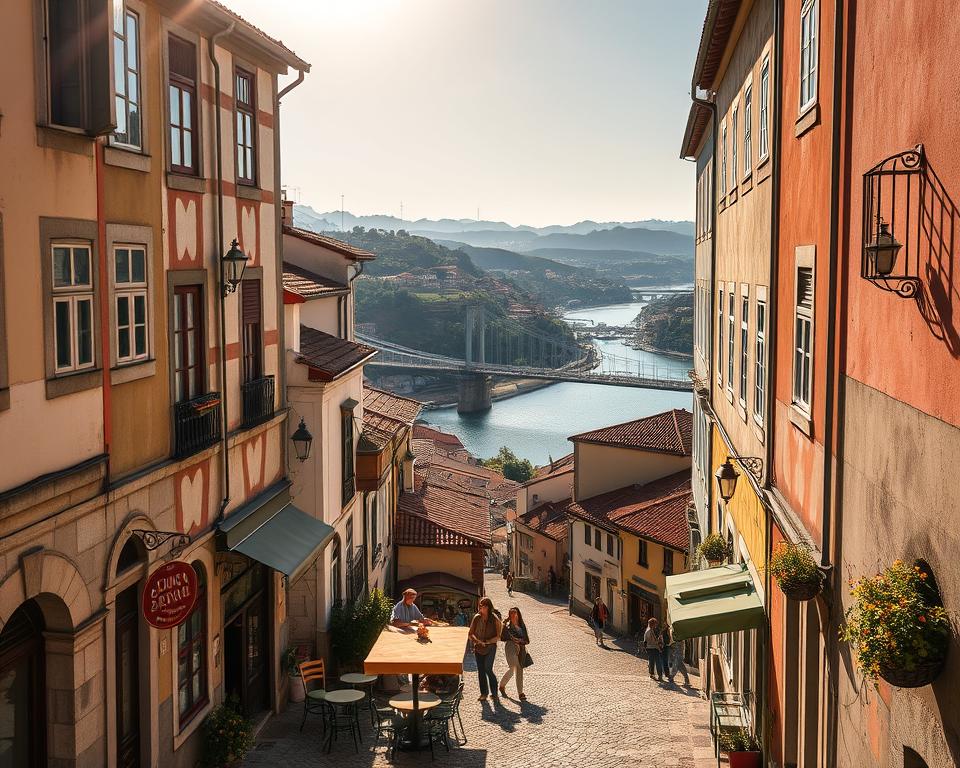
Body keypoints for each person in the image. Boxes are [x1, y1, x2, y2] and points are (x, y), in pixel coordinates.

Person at [468, 596, 502, 701]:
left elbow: (498, 636)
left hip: (490, 647)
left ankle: (494, 693)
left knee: (488, 669)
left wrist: (488, 642)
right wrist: (477, 641)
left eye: (482, 606)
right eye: (480, 606)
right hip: (478, 648)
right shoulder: (477, 618)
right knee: (481, 670)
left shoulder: (494, 618)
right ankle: (484, 693)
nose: (480, 608)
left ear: (488, 607)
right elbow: (470, 633)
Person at [498, 606, 530, 700]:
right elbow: (502, 638)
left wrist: (518, 641)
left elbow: (527, 640)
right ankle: (502, 685)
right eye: (511, 613)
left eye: (514, 613)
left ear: (518, 614)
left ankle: (520, 693)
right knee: (512, 668)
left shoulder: (522, 626)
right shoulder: (507, 626)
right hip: (510, 648)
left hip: (521, 649)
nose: (513, 615)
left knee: (519, 669)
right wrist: (504, 626)